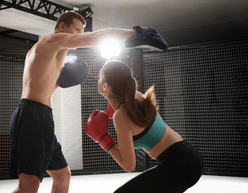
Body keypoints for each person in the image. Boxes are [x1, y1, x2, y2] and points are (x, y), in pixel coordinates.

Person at [10, 11, 137, 193]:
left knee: (62, 176)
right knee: (29, 186)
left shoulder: (54, 54)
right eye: (77, 29)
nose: (80, 34)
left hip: (43, 117)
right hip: (32, 117)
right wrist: (133, 34)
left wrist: (60, 81)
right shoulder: (50, 41)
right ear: (62, 26)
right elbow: (93, 38)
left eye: (82, 30)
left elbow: (44, 86)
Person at [85, 60, 204, 193]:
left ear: (106, 86)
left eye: (99, 76)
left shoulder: (121, 116)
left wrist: (103, 139)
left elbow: (128, 165)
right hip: (188, 159)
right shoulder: (136, 97)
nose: (97, 79)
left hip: (180, 165)